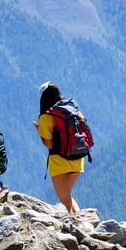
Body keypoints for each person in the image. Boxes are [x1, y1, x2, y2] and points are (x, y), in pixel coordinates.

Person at [36, 81, 92, 213]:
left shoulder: (45, 117)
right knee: (67, 195)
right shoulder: (75, 111)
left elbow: (49, 144)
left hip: (59, 162)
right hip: (78, 158)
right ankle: (81, 220)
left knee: (64, 200)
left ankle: (77, 225)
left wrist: (40, 132)